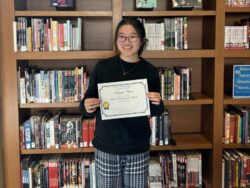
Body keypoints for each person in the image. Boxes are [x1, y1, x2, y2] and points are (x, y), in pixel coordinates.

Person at [79, 18, 164, 188]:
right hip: (107, 147)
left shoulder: (150, 71)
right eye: (121, 36)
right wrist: (86, 106)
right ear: (116, 40)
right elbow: (86, 105)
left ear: (142, 41)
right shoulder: (102, 68)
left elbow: (156, 111)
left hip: (137, 148)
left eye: (133, 37)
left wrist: (158, 103)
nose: (127, 42)